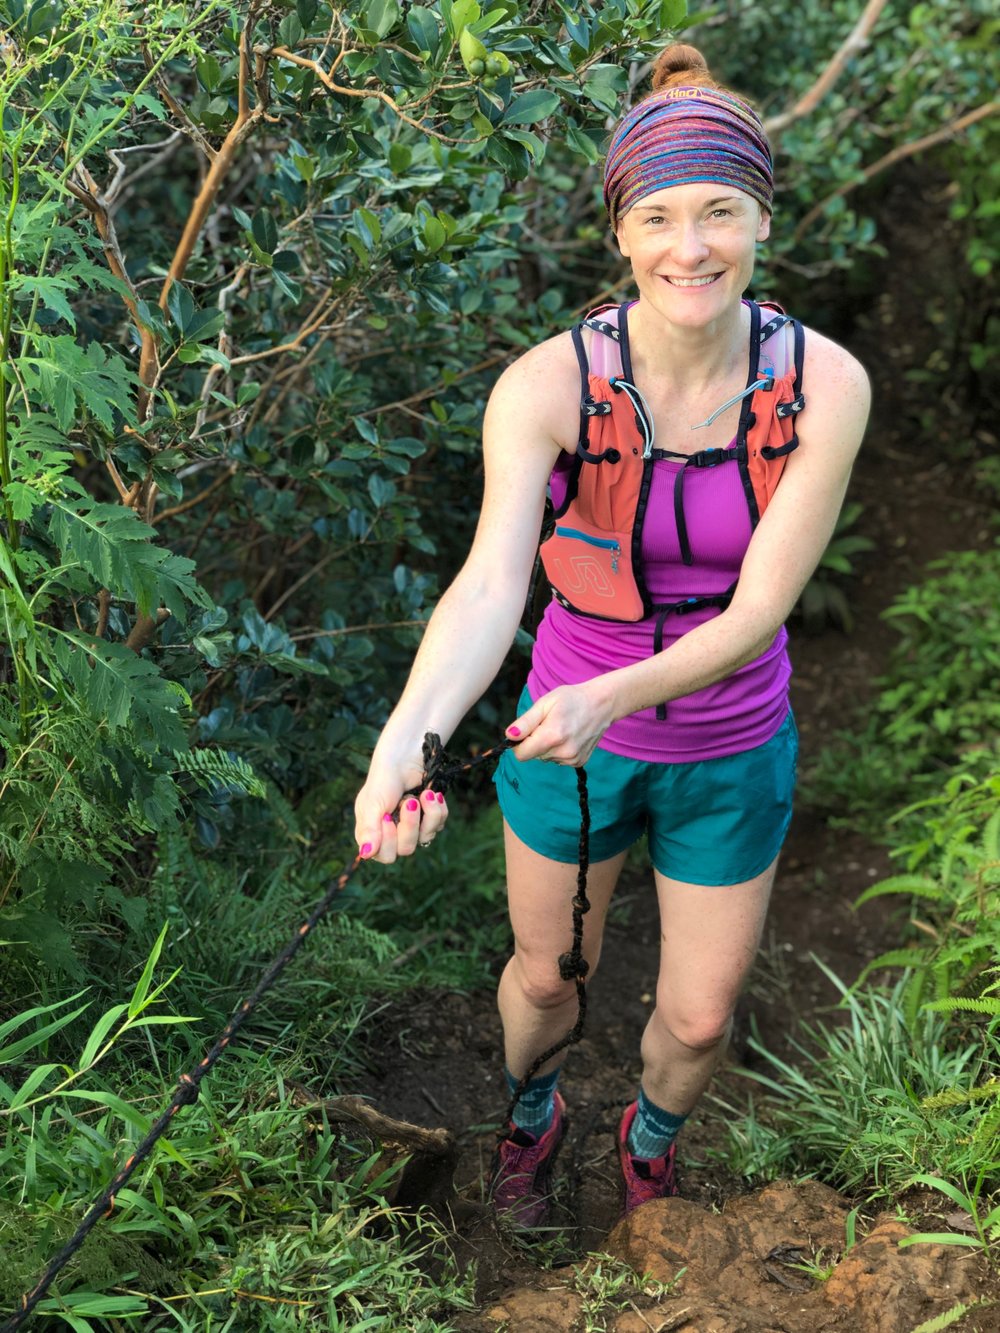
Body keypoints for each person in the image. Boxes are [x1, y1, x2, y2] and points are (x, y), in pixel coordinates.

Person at [353, 42, 870, 1225]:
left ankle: (650, 1149)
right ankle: (529, 1122)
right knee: (546, 978)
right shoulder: (545, 386)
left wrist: (615, 697)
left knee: (696, 1017)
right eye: (659, 217)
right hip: (568, 742)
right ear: (621, 234)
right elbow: (491, 585)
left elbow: (757, 613)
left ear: (759, 220)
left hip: (727, 743)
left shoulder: (824, 386)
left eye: (719, 212)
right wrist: (406, 741)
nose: (690, 246)